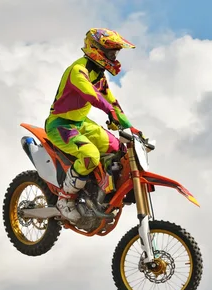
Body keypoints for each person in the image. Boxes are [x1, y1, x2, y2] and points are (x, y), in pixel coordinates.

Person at [44, 27, 146, 224]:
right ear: (97, 49)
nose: (114, 56)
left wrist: (131, 128)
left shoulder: (98, 74)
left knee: (119, 148)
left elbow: (113, 102)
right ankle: (65, 199)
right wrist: (109, 111)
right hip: (61, 125)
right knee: (90, 155)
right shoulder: (78, 70)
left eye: (116, 52)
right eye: (111, 52)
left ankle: (99, 192)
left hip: (81, 123)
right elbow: (93, 96)